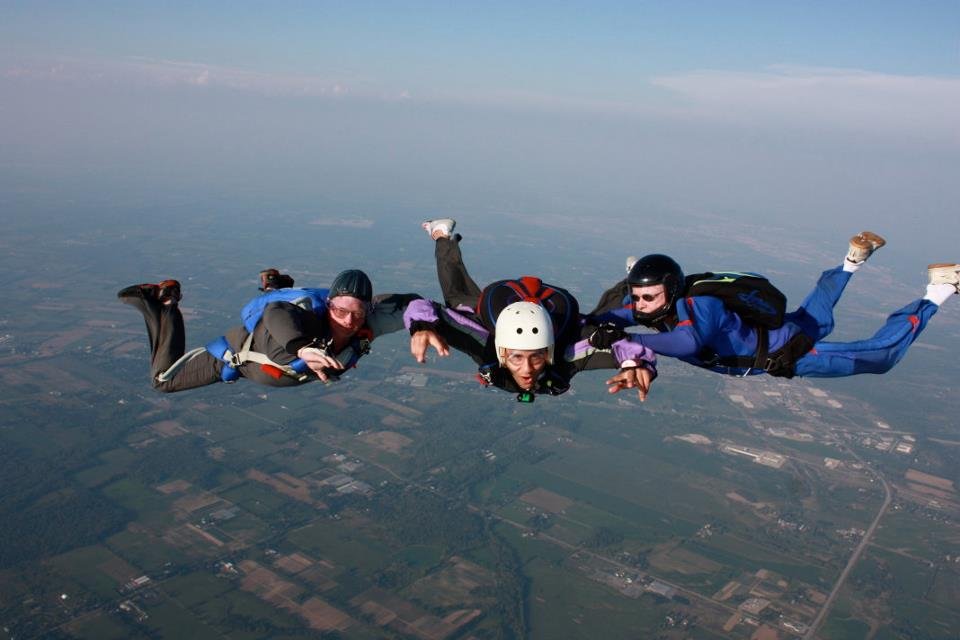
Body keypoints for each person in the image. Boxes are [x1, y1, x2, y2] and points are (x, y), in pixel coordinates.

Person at [589, 232, 959, 378]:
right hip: (782, 334)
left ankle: (937, 292)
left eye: (648, 296)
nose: (640, 304)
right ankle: (852, 261)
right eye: (637, 296)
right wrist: (596, 323)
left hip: (788, 353)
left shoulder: (702, 308)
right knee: (818, 315)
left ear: (670, 290)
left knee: (882, 357)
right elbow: (618, 315)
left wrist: (634, 342)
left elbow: (688, 344)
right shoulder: (657, 306)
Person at [404, 219, 657, 401]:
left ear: (547, 352)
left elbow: (623, 345)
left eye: (535, 356)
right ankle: (441, 234)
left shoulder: (567, 352)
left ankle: (634, 281)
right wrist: (422, 326)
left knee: (602, 325)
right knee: (458, 301)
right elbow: (422, 307)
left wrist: (633, 362)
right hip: (500, 308)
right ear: (502, 353)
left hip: (555, 318)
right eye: (517, 357)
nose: (527, 370)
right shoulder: (483, 340)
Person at [118, 269, 437, 392]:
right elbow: (276, 314)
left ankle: (276, 285)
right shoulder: (308, 322)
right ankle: (163, 303)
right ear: (329, 306)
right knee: (162, 381)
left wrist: (420, 324)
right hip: (235, 356)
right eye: (340, 311)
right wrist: (301, 348)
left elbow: (410, 302)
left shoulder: (366, 318)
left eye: (357, 313)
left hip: (279, 345)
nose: (349, 321)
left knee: (280, 301)